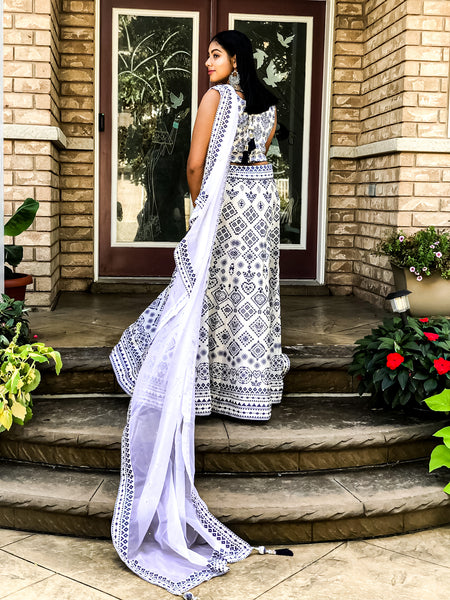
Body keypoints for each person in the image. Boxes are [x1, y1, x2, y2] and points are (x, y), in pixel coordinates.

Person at [110, 30, 290, 598]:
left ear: (234, 61)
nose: (207, 62)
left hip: (228, 202)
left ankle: (202, 387)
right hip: (262, 203)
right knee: (250, 295)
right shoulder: (268, 105)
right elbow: (264, 153)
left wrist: (195, 208)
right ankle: (249, 390)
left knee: (204, 293)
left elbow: (194, 165)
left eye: (214, 54)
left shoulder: (217, 99)